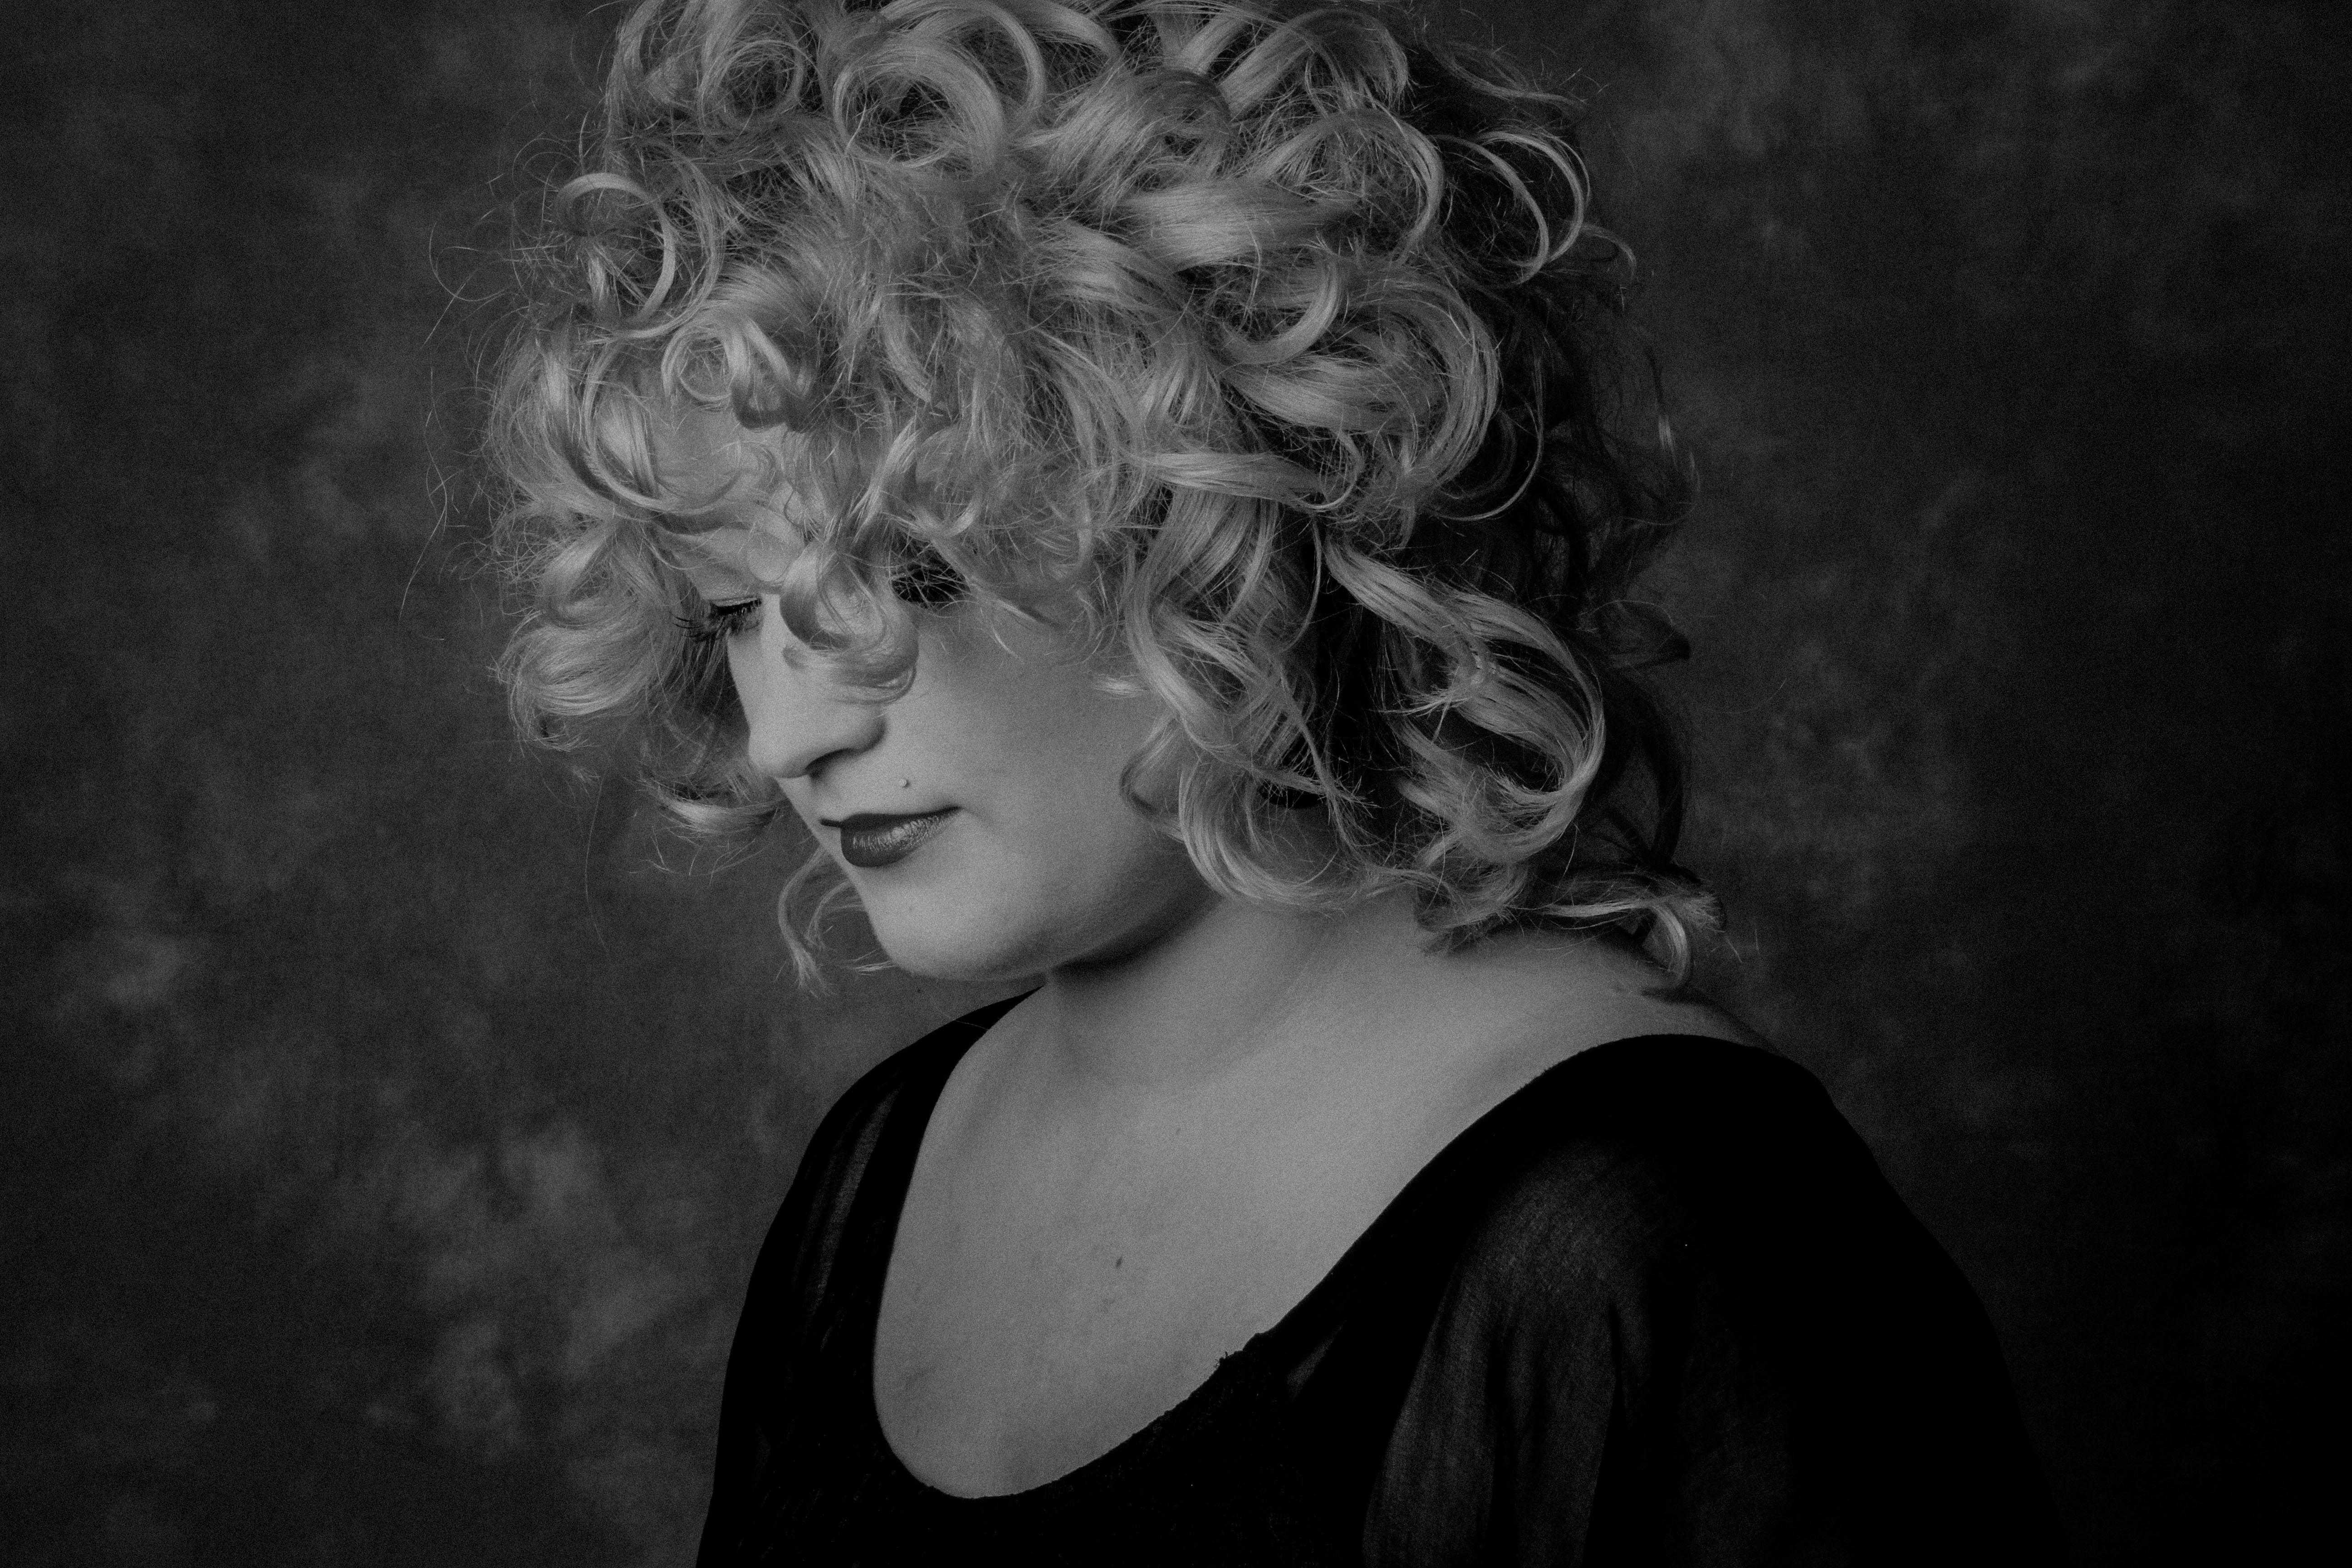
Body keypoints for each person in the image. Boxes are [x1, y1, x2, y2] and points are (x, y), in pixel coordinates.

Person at [488, 0, 2066, 1560]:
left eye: (913, 568)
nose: (786, 733)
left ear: (1227, 507)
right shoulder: (875, 1176)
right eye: (736, 610)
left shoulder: (1664, 1231)